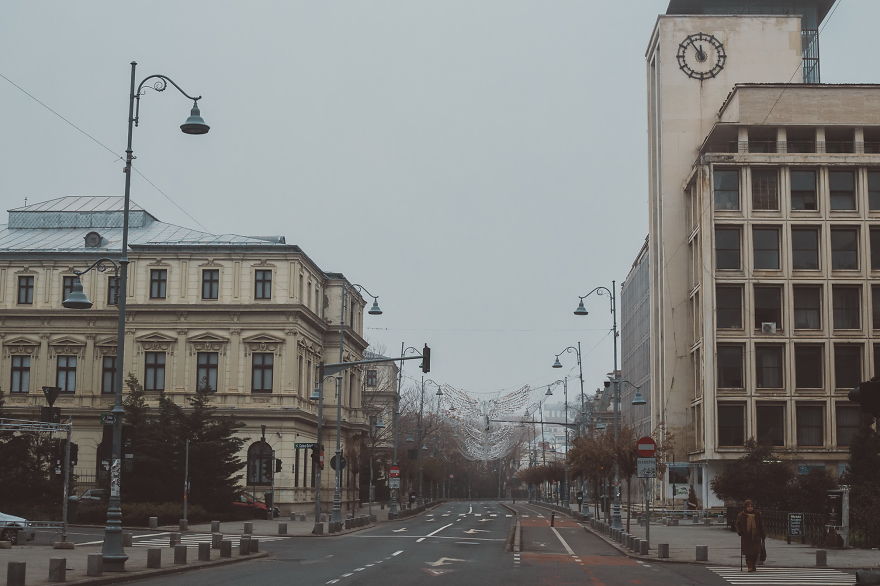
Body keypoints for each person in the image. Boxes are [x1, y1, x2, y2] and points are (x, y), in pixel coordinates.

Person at [735, 499, 765, 572]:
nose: (750, 508)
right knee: (748, 552)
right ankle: (750, 566)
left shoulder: (757, 514)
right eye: (748, 506)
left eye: (751, 506)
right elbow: (737, 524)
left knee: (755, 552)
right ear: (745, 507)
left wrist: (763, 534)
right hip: (746, 536)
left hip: (756, 536)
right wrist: (740, 532)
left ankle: (753, 565)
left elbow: (761, 525)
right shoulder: (741, 515)